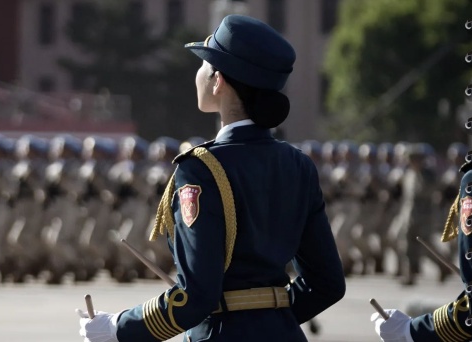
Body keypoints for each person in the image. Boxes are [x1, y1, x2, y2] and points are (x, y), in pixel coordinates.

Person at [76, 15, 346, 341]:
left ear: (218, 81)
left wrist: (119, 327)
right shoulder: (298, 164)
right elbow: (327, 283)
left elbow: (196, 297)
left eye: (203, 64)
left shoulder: (201, 168)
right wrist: (269, 318)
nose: (198, 73)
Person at [370, 157, 472, 341]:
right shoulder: (408, 174)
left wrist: (410, 331)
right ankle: (411, 272)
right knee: (407, 246)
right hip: (410, 213)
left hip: (423, 214)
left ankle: (438, 268)